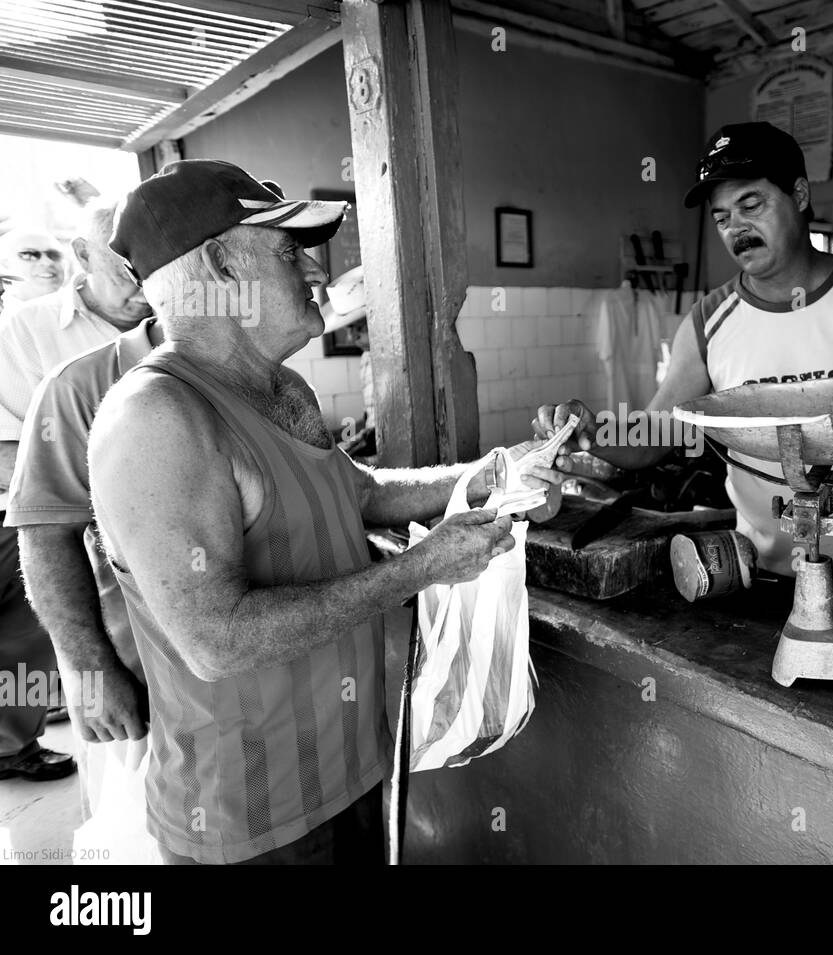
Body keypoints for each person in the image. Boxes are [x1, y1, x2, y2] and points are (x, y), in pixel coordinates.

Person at [87, 159, 563, 864]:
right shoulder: (155, 419)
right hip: (248, 819)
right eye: (288, 252)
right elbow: (215, 640)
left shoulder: (286, 389)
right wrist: (421, 567)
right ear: (221, 266)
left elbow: (358, 491)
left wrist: (491, 473)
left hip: (354, 768)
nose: (315, 272)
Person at [535, 122, 833, 602]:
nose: (737, 228)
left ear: (799, 194)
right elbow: (659, 433)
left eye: (751, 205)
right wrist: (592, 430)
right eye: (723, 216)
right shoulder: (710, 321)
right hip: (758, 587)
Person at [0, 202, 152, 782]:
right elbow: (12, 453)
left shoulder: (179, 321)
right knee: (117, 740)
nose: (143, 289)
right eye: (125, 271)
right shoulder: (29, 330)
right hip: (74, 548)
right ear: (84, 256)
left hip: (168, 560)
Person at [0, 227, 66, 312]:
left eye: (54, 255)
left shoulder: (84, 310)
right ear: (5, 264)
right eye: (29, 255)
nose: (47, 262)